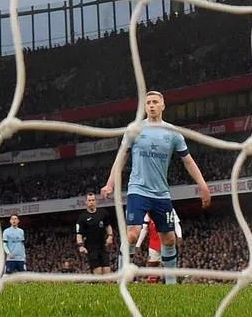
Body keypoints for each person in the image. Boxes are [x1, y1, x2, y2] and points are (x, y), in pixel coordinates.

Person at [101, 90, 212, 285]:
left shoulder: (173, 133)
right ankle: (122, 280)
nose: (151, 105)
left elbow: (188, 161)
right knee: (132, 234)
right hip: (138, 190)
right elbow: (121, 158)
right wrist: (110, 183)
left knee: (168, 239)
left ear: (162, 106)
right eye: (148, 102)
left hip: (161, 194)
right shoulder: (134, 129)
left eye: (155, 102)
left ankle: (171, 284)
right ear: (144, 107)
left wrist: (203, 185)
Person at [137, 209, 182, 283]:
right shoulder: (149, 211)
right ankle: (153, 285)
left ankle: (172, 284)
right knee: (153, 265)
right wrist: (138, 244)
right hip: (153, 244)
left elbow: (176, 224)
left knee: (169, 265)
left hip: (167, 242)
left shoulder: (170, 209)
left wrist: (179, 236)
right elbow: (144, 229)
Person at [75, 191, 115, 275]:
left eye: (93, 200)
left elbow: (108, 226)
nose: (91, 202)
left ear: (96, 201)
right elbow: (79, 234)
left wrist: (110, 236)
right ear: (86, 202)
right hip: (91, 248)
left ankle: (108, 287)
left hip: (103, 246)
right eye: (89, 200)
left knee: (107, 273)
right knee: (99, 273)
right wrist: (81, 246)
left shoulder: (103, 213)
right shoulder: (82, 217)